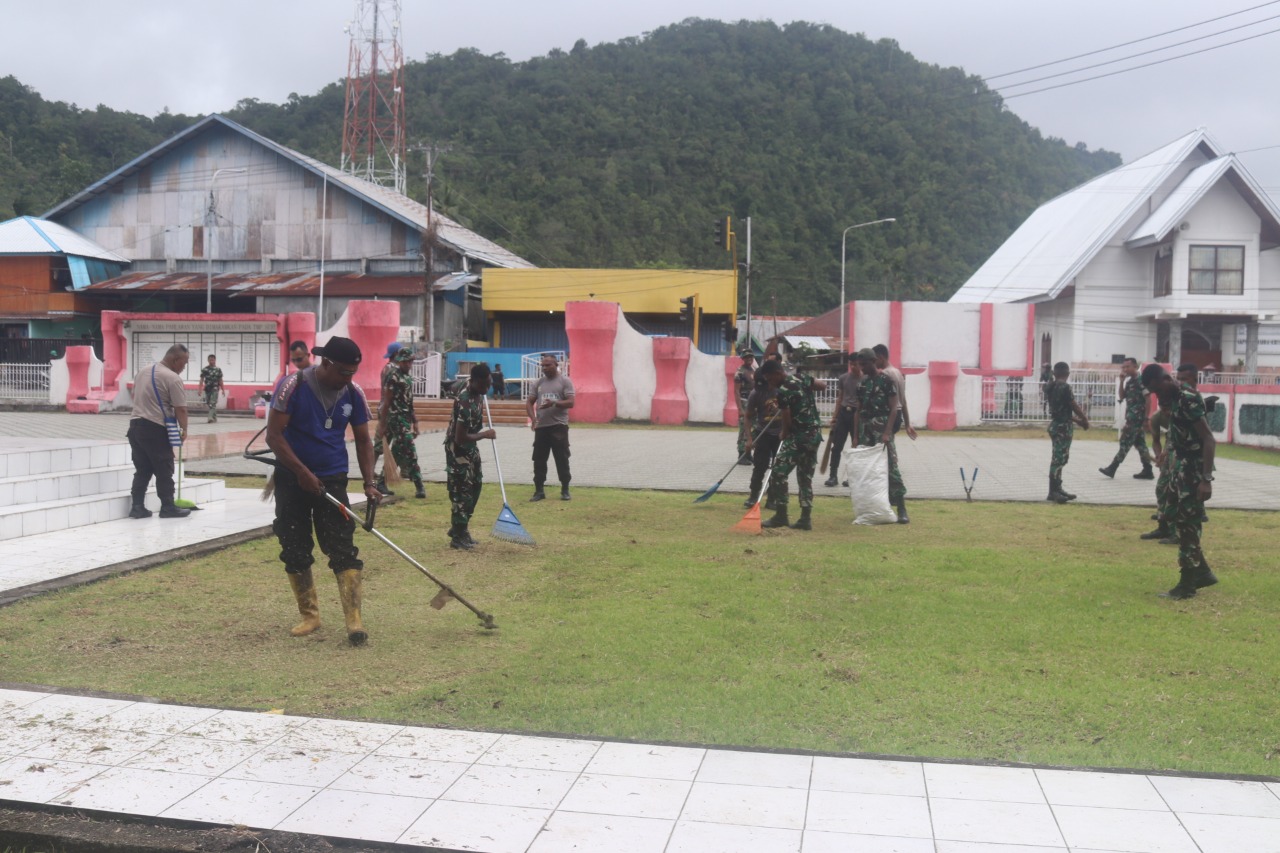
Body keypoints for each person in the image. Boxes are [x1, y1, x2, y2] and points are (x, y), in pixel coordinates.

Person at [266, 336, 379, 645]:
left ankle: (354, 620)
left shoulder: (352, 393)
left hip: (333, 479)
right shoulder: (293, 386)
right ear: (326, 363)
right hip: (292, 478)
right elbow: (274, 436)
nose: (349, 378)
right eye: (344, 372)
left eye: (354, 372)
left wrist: (369, 482)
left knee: (342, 547)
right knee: (294, 545)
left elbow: (364, 441)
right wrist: (301, 472)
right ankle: (310, 615)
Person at [1140, 364, 1217, 599]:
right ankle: (1202, 571)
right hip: (1179, 467)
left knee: (1188, 523)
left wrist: (1206, 479)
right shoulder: (1173, 398)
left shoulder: (1186, 398)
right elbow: (1179, 431)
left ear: (1165, 379)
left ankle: (1187, 584)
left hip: (1193, 471)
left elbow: (1208, 439)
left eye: (1157, 389)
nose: (1157, 396)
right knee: (1171, 514)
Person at [126, 344, 192, 520]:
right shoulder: (173, 378)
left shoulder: (142, 371)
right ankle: (168, 507)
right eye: (184, 363)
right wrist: (184, 430)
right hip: (155, 428)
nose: (184, 368)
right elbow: (181, 409)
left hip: (135, 427)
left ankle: (137, 507)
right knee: (164, 468)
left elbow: (136, 396)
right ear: (175, 359)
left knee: (143, 469)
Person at [759, 359, 825, 530]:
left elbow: (786, 417)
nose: (769, 382)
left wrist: (784, 433)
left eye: (769, 378)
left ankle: (781, 515)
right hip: (815, 435)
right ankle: (805, 518)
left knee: (778, 472)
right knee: (805, 477)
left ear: (777, 373)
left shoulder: (782, 391)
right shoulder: (801, 378)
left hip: (799, 437)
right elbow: (822, 385)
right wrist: (806, 393)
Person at [853, 348, 909, 523]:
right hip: (866, 430)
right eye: (859, 365)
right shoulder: (862, 383)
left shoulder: (887, 380)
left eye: (864, 364)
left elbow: (894, 408)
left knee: (891, 467)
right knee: (868, 469)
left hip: (882, 428)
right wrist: (855, 436)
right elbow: (858, 411)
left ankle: (901, 508)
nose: (861, 368)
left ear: (874, 361)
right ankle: (874, 506)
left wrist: (887, 432)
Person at [445, 364, 497, 549]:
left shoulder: (474, 388)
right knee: (462, 491)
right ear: (474, 382)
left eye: (489, 384)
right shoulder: (466, 401)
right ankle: (457, 536)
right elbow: (460, 438)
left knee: (476, 485)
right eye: (484, 385)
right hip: (458, 450)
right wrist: (485, 434)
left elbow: (452, 386)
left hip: (471, 447)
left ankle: (461, 526)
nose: (487, 389)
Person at [527, 353, 575, 501]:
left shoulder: (564, 381)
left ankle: (565, 489)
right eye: (543, 366)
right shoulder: (538, 383)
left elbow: (571, 402)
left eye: (548, 365)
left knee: (562, 458)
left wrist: (553, 403)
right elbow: (529, 402)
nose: (545, 368)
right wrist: (533, 419)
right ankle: (539, 491)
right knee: (539, 460)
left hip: (558, 427)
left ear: (556, 365)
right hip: (542, 428)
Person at [378, 346, 425, 499]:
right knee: (410, 449)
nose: (409, 365)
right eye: (406, 362)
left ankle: (381, 481)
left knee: (398, 452)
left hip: (405, 419)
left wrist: (415, 422)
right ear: (400, 362)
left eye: (410, 362)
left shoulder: (408, 378)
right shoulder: (393, 376)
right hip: (395, 418)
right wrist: (383, 424)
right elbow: (387, 401)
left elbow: (409, 403)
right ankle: (419, 485)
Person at [1099, 357, 1154, 480]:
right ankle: (1148, 470)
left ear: (1135, 366)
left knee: (1125, 442)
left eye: (1127, 367)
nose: (1125, 369)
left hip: (1137, 418)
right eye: (1123, 367)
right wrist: (1122, 381)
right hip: (1131, 417)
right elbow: (1122, 396)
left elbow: (1148, 399)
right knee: (1141, 444)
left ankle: (1112, 467)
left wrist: (1146, 418)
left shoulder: (1141, 380)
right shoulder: (1129, 381)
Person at [1044, 362, 1090, 504]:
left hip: (1057, 425)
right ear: (1068, 373)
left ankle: (1057, 489)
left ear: (1055, 373)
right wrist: (1083, 419)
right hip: (1063, 428)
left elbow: (1063, 411)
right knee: (1059, 459)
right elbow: (1073, 405)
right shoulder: (1065, 387)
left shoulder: (1049, 386)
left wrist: (1077, 421)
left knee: (1060, 458)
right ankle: (1053, 491)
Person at [1141, 393, 1178, 544]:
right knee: (1161, 489)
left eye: (1169, 409)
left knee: (1176, 493)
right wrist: (1159, 457)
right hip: (1169, 455)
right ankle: (1163, 527)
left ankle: (1176, 533)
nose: (1167, 413)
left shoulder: (1182, 416)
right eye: (1164, 409)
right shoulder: (1157, 417)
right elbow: (1157, 441)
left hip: (1183, 456)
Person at [743, 371, 782, 509]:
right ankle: (754, 496)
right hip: (763, 433)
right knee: (760, 466)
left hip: (780, 434)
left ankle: (772, 498)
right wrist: (749, 439)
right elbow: (747, 417)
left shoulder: (781, 391)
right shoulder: (755, 393)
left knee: (778, 468)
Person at [823, 356, 862, 488]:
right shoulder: (844, 378)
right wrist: (835, 417)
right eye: (851, 364)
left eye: (855, 364)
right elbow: (840, 398)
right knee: (836, 447)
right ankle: (833, 476)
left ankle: (852, 477)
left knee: (856, 447)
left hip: (857, 415)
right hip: (844, 414)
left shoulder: (865, 379)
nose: (853, 367)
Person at [372, 342, 403, 496]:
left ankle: (371, 474)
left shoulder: (388, 368)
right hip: (389, 412)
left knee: (379, 445)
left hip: (385, 410)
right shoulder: (393, 370)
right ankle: (376, 479)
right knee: (383, 445)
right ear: (397, 354)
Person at [873, 344, 918, 441]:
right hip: (898, 415)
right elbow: (903, 401)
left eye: (874, 360)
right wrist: (907, 424)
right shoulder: (898, 372)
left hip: (889, 416)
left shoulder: (885, 374)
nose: (873, 363)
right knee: (889, 445)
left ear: (880, 358)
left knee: (882, 445)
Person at [734, 348, 756, 464]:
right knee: (743, 428)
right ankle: (741, 454)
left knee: (753, 428)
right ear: (743, 358)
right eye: (747, 357)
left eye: (751, 357)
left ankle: (748, 453)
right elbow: (736, 391)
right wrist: (740, 409)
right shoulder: (740, 372)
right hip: (744, 401)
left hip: (753, 402)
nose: (749, 359)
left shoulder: (753, 370)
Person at [200, 354, 224, 423]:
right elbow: (201, 379)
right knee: (208, 402)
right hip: (207, 388)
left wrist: (223, 389)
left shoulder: (218, 369)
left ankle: (210, 417)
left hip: (215, 388)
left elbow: (220, 380)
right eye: (210, 360)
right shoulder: (205, 369)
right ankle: (214, 417)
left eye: (213, 360)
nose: (211, 361)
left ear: (215, 360)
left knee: (212, 403)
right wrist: (200, 389)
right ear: (208, 360)